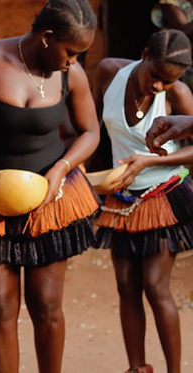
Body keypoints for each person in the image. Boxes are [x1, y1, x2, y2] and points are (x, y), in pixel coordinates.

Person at [0, 1, 100, 372]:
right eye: (70, 52)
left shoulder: (72, 75)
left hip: (49, 198)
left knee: (47, 306)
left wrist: (63, 167)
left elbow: (91, 132)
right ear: (47, 38)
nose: (73, 61)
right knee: (0, 306)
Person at [93, 29, 193, 373]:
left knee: (155, 284)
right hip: (121, 197)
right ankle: (137, 368)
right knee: (126, 285)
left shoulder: (178, 94)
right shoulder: (109, 72)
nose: (159, 87)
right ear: (144, 54)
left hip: (163, 195)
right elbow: (93, 128)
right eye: (155, 77)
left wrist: (151, 161)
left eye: (168, 82)